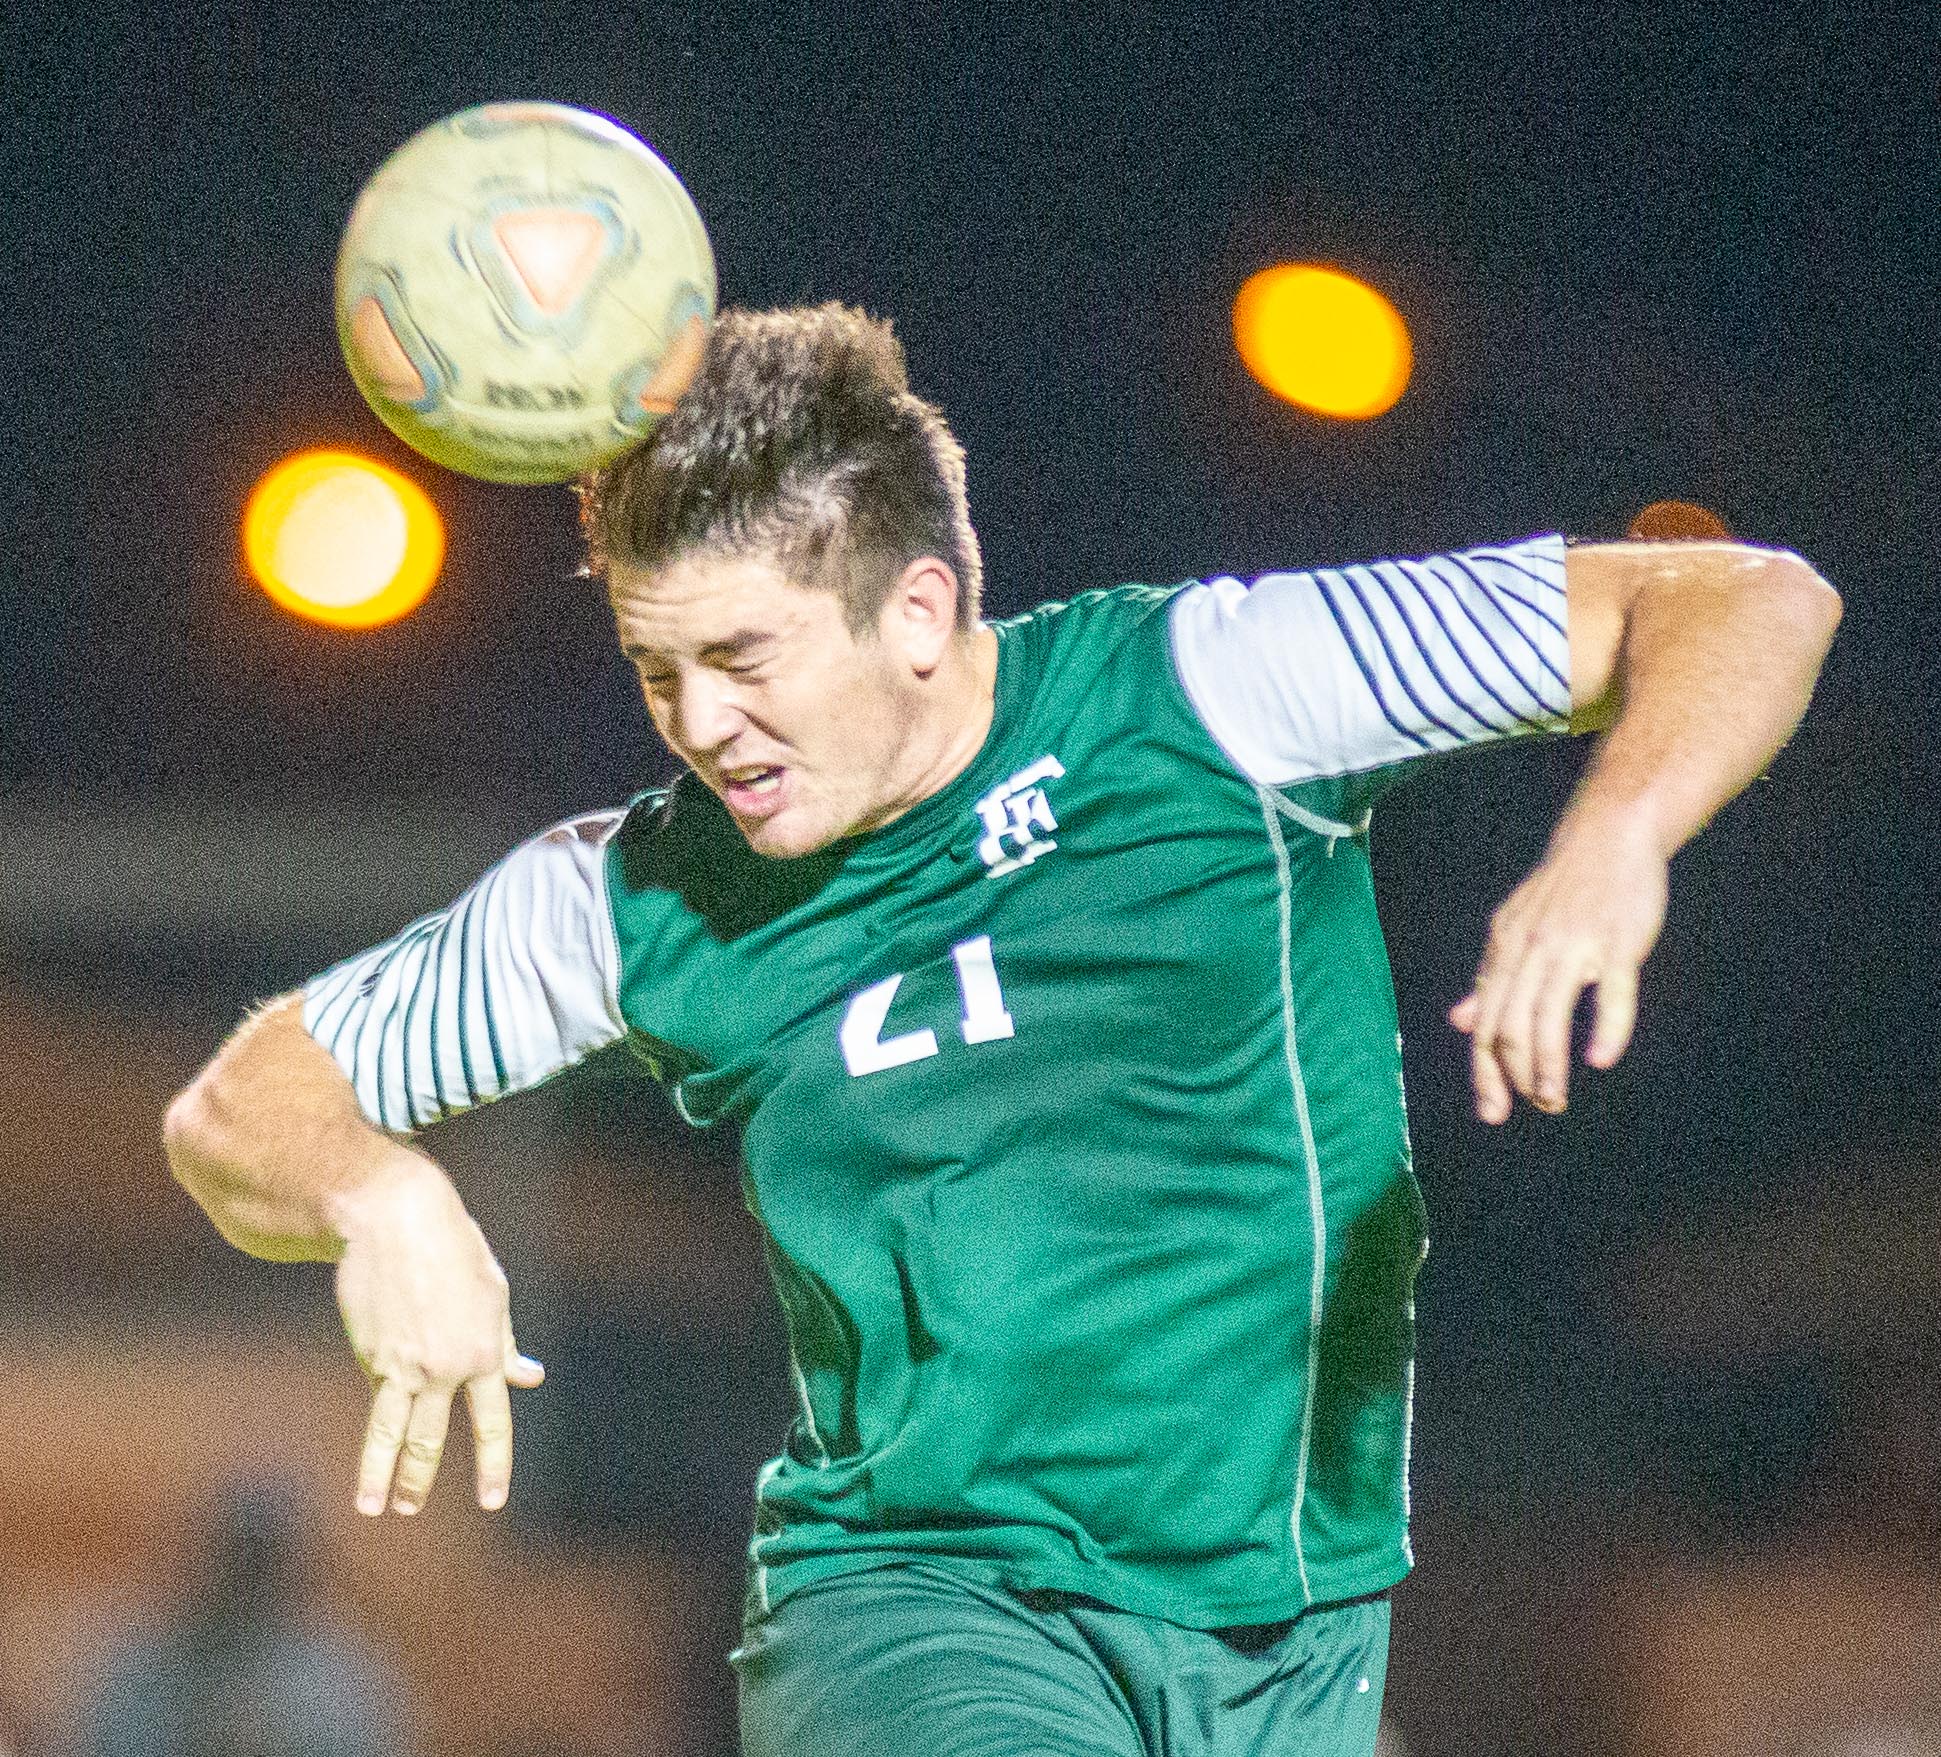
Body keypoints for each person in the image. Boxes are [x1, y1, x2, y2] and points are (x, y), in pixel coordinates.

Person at [164, 303, 1841, 1756]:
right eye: (656, 670)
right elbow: (242, 1107)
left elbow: (1747, 601)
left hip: (1294, 1602)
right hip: (915, 1598)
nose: (700, 725)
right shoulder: (633, 900)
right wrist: (380, 1195)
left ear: (913, 609)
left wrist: (1615, 833)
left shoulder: (1210, 694)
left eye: (742, 658)